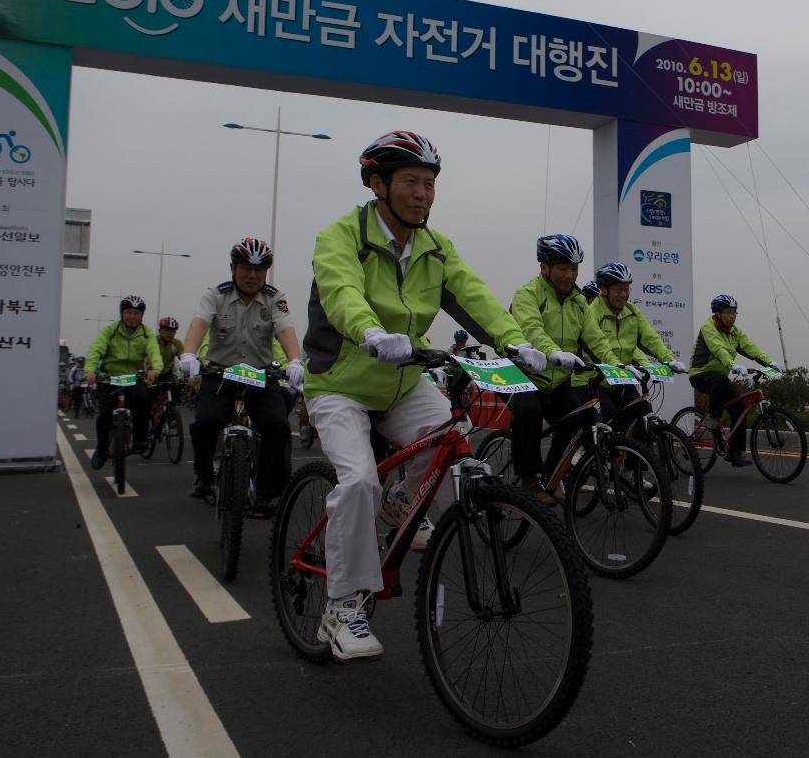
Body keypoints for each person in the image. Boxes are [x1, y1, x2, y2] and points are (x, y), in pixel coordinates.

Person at [303, 130, 544, 661]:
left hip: (404, 380)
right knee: (360, 480)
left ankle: (401, 506)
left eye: (430, 184)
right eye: (411, 181)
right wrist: (369, 332)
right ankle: (343, 605)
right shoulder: (340, 236)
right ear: (377, 184)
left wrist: (517, 342)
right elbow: (341, 290)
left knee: (451, 442)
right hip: (340, 384)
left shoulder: (436, 247)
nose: (423, 194)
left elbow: (474, 295)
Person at [178, 238, 303, 516]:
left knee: (277, 426)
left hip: (259, 375)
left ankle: (268, 493)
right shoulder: (215, 295)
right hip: (220, 374)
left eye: (259, 270)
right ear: (233, 268)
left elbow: (285, 329)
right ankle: (203, 479)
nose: (252, 276)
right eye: (246, 269)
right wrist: (189, 354)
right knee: (205, 422)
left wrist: (295, 360)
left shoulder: (275, 297)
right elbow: (199, 324)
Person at [509, 234, 617, 501]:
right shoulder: (527, 294)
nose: (570, 275)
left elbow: (595, 338)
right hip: (522, 375)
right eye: (563, 268)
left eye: (574, 269)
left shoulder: (579, 301)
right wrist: (554, 352)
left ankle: (551, 474)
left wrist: (618, 365)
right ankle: (529, 479)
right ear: (544, 267)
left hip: (556, 380)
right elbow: (532, 330)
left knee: (577, 418)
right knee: (529, 411)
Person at [575, 262, 686, 424]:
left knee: (642, 414)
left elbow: (650, 337)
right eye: (618, 289)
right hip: (591, 379)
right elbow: (595, 345)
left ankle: (633, 449)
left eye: (626, 289)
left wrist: (668, 359)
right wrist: (616, 364)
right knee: (611, 420)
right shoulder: (592, 311)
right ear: (604, 290)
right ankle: (593, 449)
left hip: (619, 377)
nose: (623, 294)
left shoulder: (632, 311)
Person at [688, 294, 780, 467]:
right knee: (720, 380)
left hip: (720, 378)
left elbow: (750, 348)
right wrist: (732, 365)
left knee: (739, 408)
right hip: (700, 374)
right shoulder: (709, 327)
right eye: (728, 312)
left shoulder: (734, 332)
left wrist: (770, 362)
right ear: (718, 313)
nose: (732, 316)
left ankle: (735, 453)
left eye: (735, 312)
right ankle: (712, 418)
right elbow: (718, 349)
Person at [84, 295, 162, 468]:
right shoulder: (110, 330)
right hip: (109, 377)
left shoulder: (146, 333)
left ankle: (140, 439)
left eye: (136, 313)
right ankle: (102, 448)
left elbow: (154, 352)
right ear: (122, 313)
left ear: (142, 315)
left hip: (133, 377)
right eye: (128, 312)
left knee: (143, 399)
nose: (132, 316)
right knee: (104, 415)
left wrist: (155, 369)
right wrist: (90, 370)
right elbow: (96, 349)